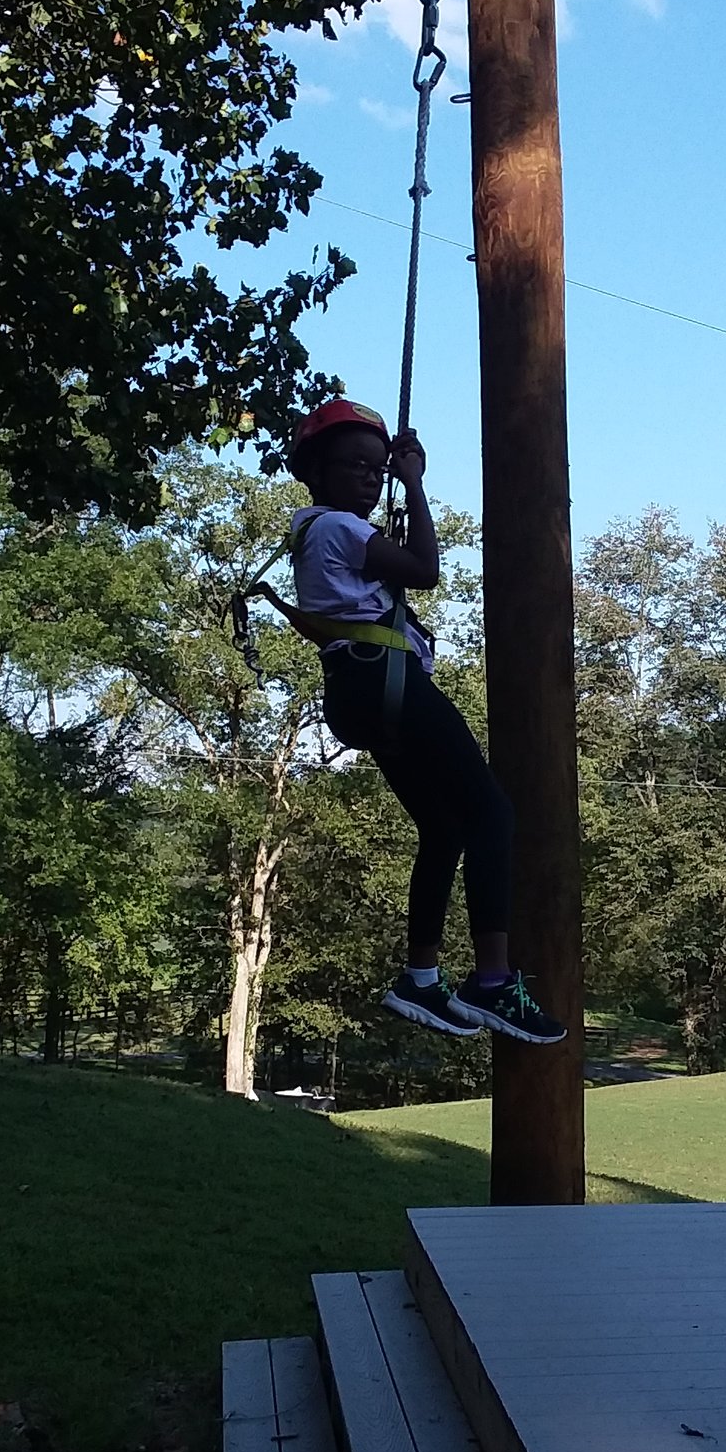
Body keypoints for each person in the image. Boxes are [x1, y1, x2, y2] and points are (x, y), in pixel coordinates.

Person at [280, 398, 565, 1045]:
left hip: (358, 686)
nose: (368, 477)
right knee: (492, 813)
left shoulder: (313, 533)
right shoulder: (337, 527)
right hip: (386, 679)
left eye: (376, 468)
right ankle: (492, 979)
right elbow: (427, 570)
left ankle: (422, 977)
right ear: (316, 472)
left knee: (444, 828)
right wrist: (413, 483)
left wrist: (400, 483)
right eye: (354, 465)